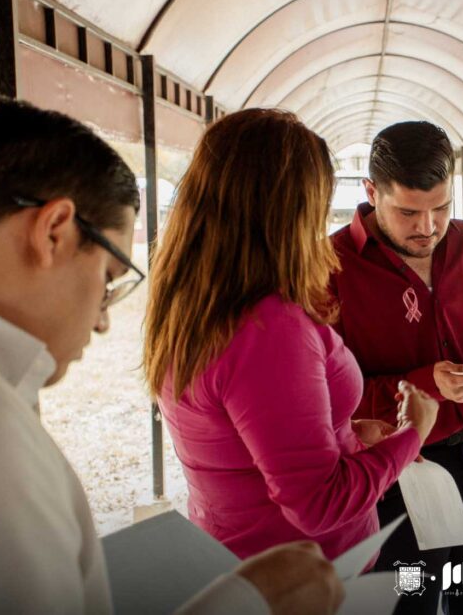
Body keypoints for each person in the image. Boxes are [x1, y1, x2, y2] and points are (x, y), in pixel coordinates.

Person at [0, 98, 344, 614]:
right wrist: (246, 602)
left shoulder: (196, 308)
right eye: (108, 281)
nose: (102, 320)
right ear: (54, 232)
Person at [144, 109, 439, 565]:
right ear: (288, 213)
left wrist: (344, 435)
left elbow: (246, 441)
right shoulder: (267, 329)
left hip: (240, 556)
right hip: (304, 580)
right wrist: (412, 434)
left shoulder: (197, 304)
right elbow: (318, 503)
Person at [329, 121, 463, 615]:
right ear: (371, 192)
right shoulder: (327, 266)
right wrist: (424, 387)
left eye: (442, 208)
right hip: (396, 476)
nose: (428, 227)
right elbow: (324, 401)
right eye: (409, 212)